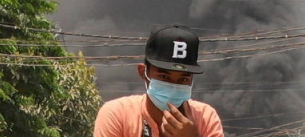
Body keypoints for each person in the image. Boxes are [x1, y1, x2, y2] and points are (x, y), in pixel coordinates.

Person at [94, 25, 224, 137]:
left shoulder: (206, 117)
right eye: (164, 77)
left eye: (183, 79)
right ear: (143, 72)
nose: (174, 86)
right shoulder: (117, 115)